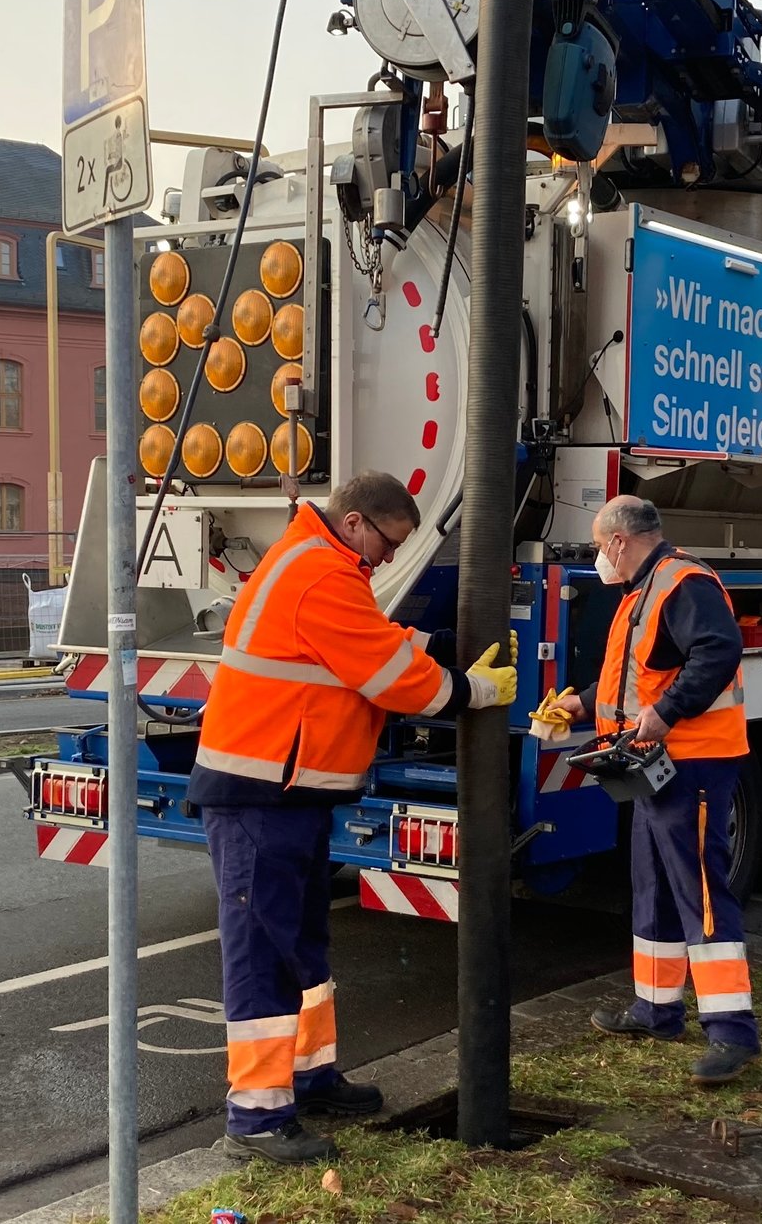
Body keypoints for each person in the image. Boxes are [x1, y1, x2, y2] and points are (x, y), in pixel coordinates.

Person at [189, 471, 517, 1163]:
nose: (391, 558)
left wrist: (430, 644)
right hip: (261, 794)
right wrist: (470, 689)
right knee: (262, 955)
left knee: (301, 943)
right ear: (358, 523)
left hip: (286, 791)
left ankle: (307, 1078)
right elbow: (385, 678)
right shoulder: (323, 574)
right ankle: (255, 1117)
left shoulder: (324, 565)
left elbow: (363, 646)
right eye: (389, 543)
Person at [553, 495, 759, 1085]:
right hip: (656, 764)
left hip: (691, 762)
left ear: (619, 542)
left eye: (598, 545)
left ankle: (731, 1033)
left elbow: (719, 651)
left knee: (699, 889)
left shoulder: (680, 583)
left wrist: (668, 713)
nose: (598, 557)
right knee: (654, 884)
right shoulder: (646, 589)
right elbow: (634, 678)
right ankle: (656, 1008)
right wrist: (582, 703)